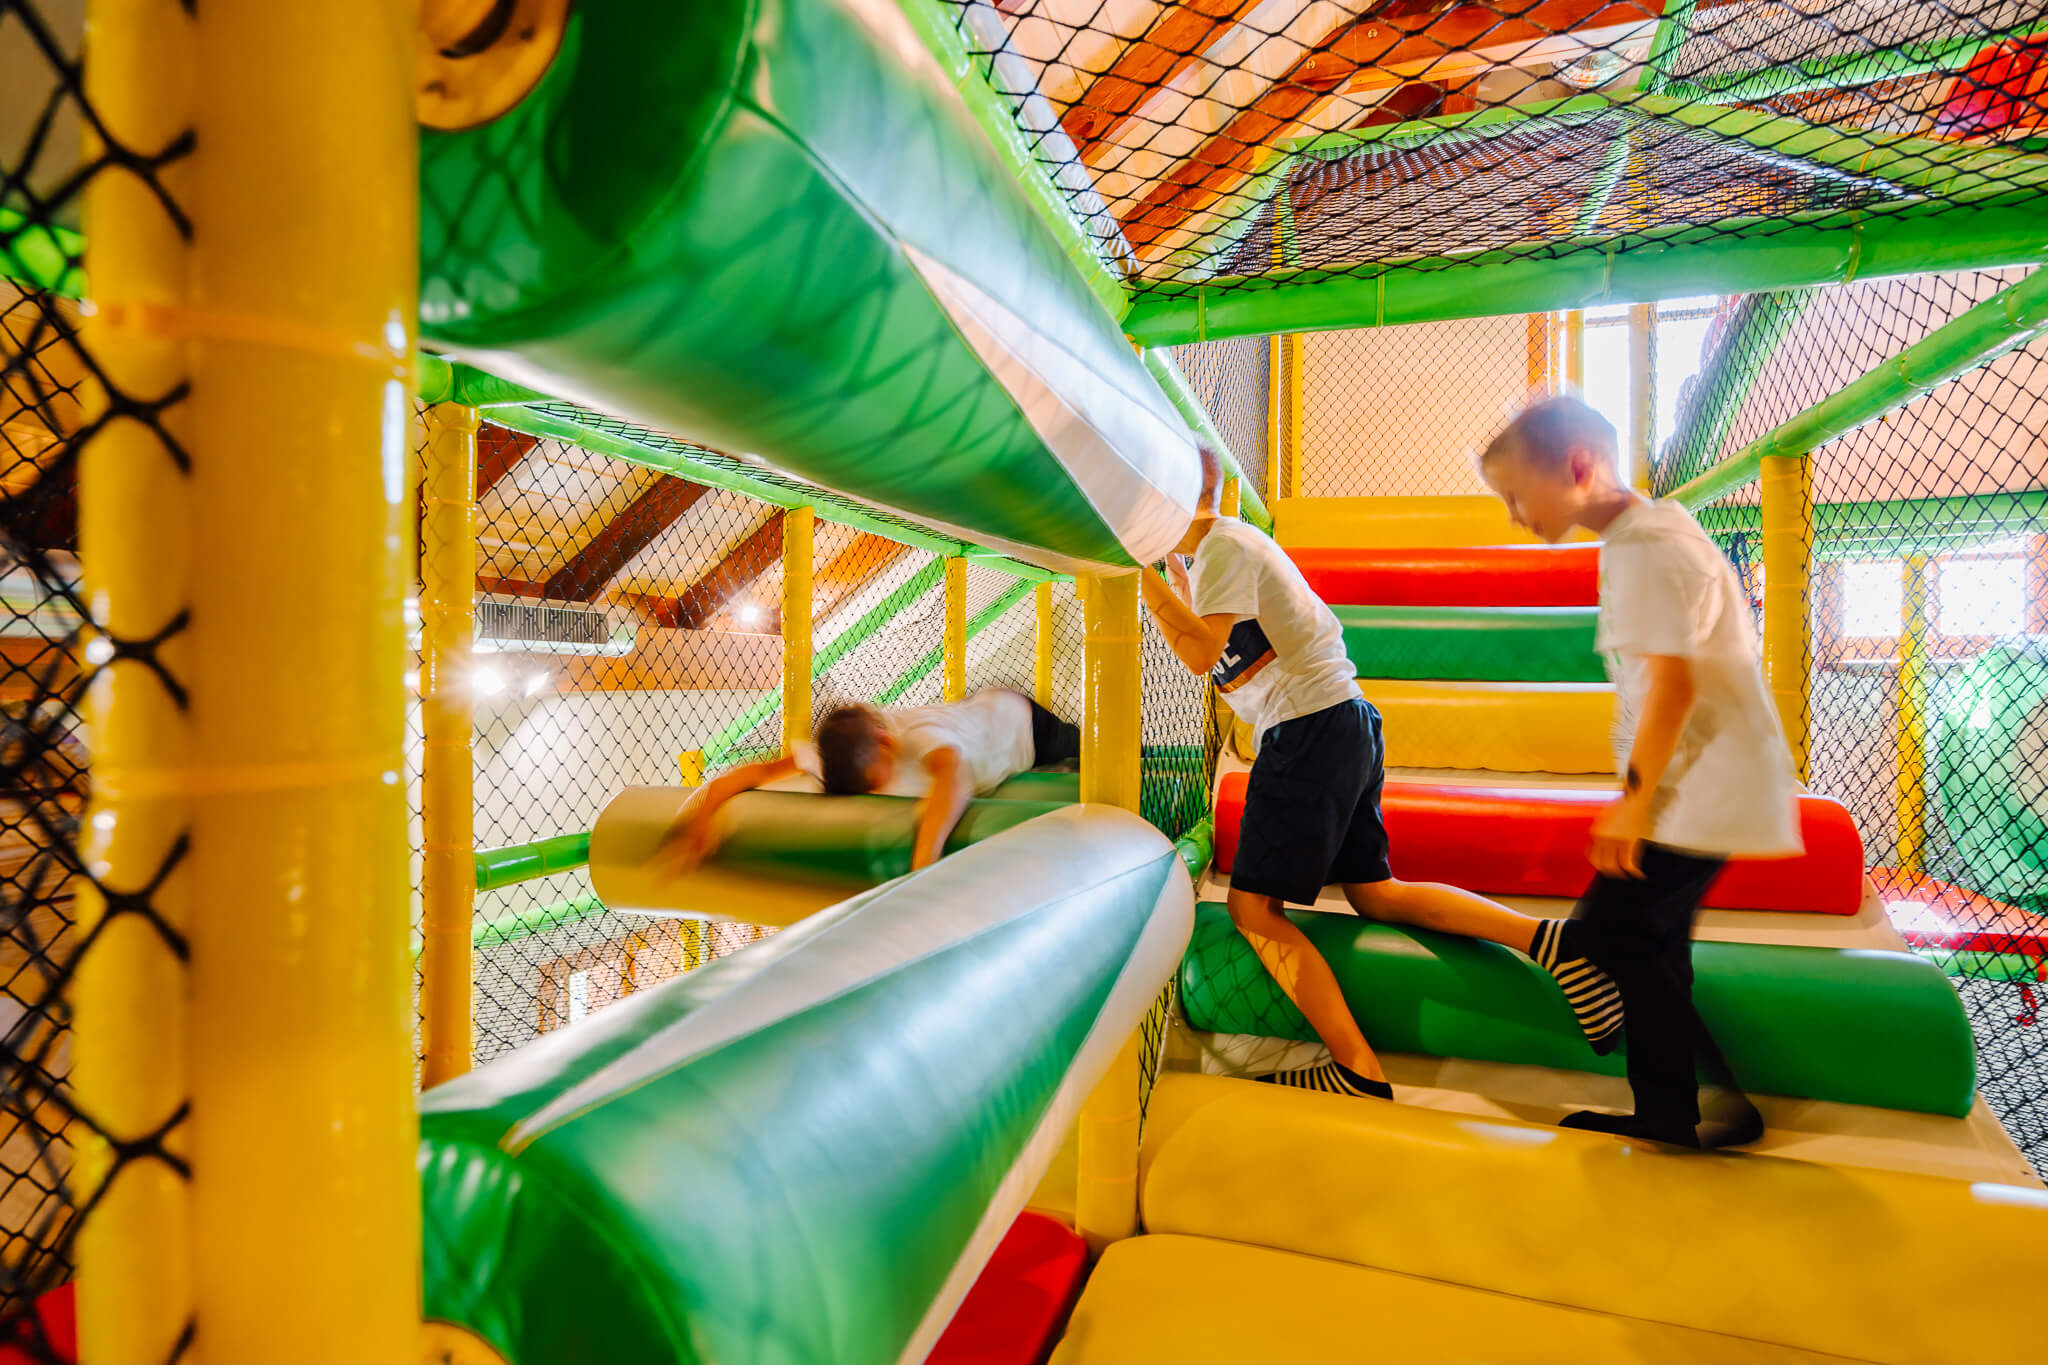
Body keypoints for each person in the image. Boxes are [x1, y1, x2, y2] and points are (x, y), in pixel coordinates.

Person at [1140, 442, 1624, 1101]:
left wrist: (1131, 570)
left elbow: (1202, 655)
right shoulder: (1209, 558)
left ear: (1168, 496)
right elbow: (1208, 645)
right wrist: (1165, 573)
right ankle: (1556, 943)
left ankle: (1358, 1068)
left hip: (1310, 728)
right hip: (1339, 723)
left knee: (1252, 910)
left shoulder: (1225, 546)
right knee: (1376, 893)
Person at [1481, 396, 1797, 1149]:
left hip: (1701, 787)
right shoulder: (1646, 533)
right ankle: (1672, 1110)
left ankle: (1712, 1101)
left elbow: (1674, 686)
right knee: (1651, 940)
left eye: (1517, 496)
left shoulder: (1643, 547)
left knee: (1611, 932)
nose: (1515, 517)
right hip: (1705, 783)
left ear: (1578, 467)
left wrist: (1634, 802)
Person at [663, 691, 1079, 873]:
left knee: (1085, 752)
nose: (878, 792)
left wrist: (923, 864)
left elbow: (953, 779)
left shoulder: (920, 736)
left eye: (878, 780)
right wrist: (701, 820)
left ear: (885, 742)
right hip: (980, 720)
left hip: (1020, 725)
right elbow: (753, 772)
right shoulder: (840, 757)